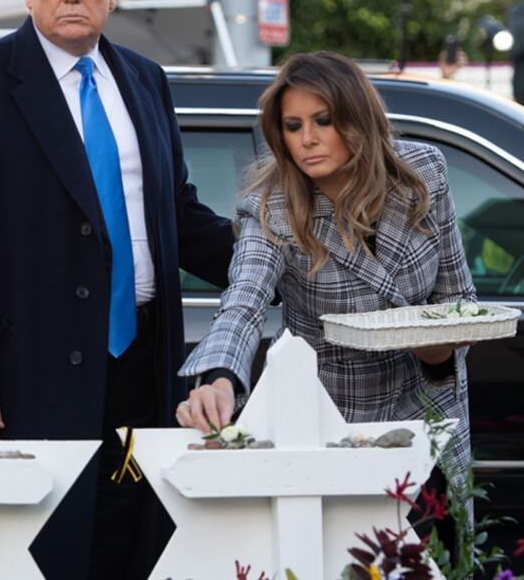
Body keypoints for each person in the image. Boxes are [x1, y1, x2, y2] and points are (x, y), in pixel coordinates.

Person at [0, 0, 234, 579]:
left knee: (127, 544)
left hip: (146, 364)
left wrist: (284, 261)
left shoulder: (144, 80)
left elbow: (177, 216)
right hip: (30, 373)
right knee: (46, 552)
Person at [177, 51, 475, 514]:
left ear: (357, 118)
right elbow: (244, 301)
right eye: (293, 127)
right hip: (329, 425)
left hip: (427, 414)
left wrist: (440, 355)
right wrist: (218, 378)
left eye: (324, 120)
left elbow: (458, 297)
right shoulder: (272, 207)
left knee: (433, 564)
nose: (308, 140)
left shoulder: (423, 175)